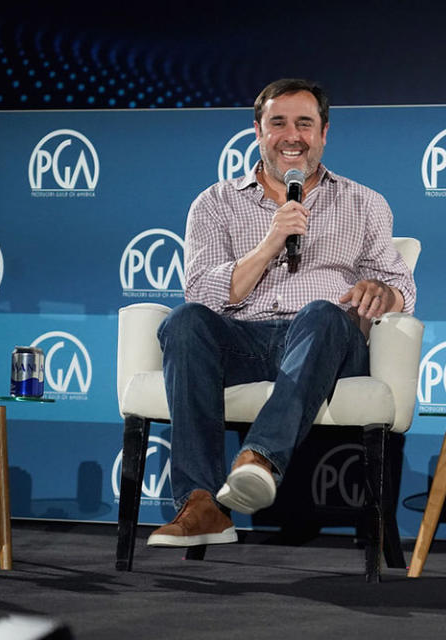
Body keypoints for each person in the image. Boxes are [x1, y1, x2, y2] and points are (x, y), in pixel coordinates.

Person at [146, 78, 416, 549]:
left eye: (304, 124)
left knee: (322, 313)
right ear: (257, 130)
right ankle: (201, 505)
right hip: (245, 338)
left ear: (324, 133)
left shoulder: (364, 202)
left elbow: (403, 288)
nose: (292, 135)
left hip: (327, 342)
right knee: (183, 322)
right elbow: (204, 296)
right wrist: (271, 241)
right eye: (278, 123)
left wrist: (382, 292)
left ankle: (259, 459)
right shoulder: (214, 202)